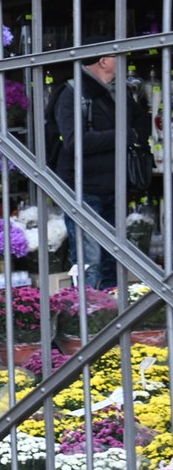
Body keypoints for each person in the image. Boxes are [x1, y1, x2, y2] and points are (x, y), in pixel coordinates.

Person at [50, 39, 149, 290]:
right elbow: (75, 141)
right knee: (88, 260)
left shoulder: (120, 91)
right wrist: (123, 135)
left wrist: (131, 133)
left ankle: (110, 314)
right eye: (118, 57)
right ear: (103, 61)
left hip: (114, 184)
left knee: (112, 258)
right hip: (83, 187)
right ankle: (86, 315)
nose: (125, 63)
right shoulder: (71, 92)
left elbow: (142, 123)